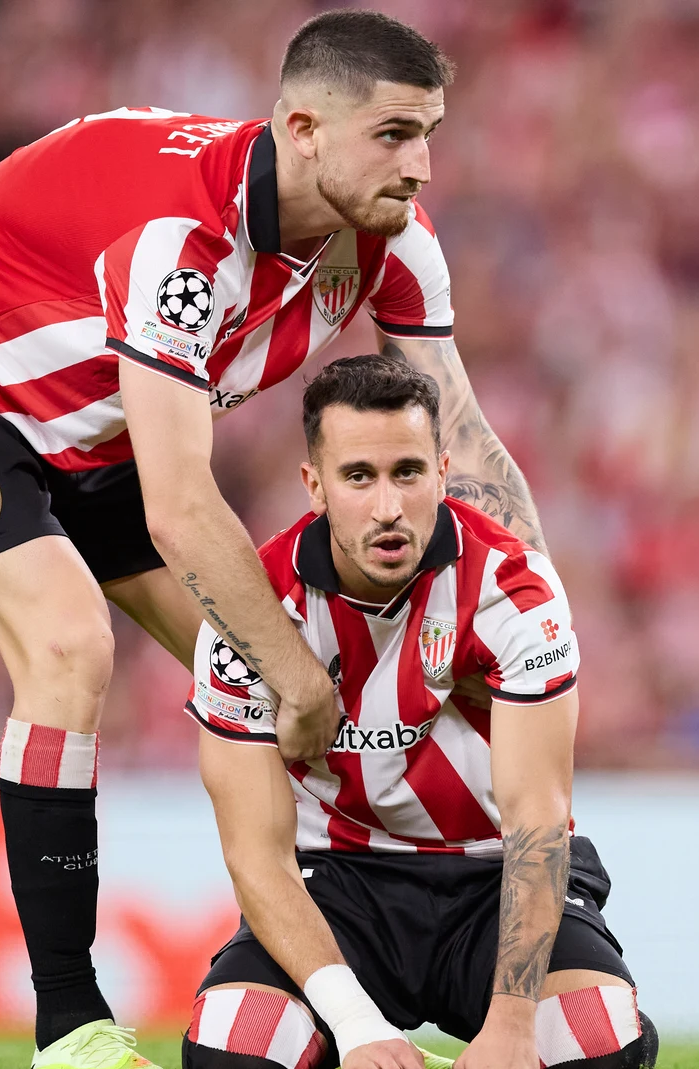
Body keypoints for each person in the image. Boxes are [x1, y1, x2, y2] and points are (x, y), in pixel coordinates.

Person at [0, 11, 546, 1068]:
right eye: (394, 135)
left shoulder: (392, 239)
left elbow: (463, 439)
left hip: (100, 420)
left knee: (287, 682)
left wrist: (532, 618)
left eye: (429, 133)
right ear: (303, 129)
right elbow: (178, 502)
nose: (423, 167)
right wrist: (299, 682)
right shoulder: (181, 241)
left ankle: (351, 1000)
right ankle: (69, 1025)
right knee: (79, 644)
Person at [181, 355, 656, 1069]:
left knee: (598, 1042)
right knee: (231, 1048)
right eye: (358, 477)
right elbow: (257, 856)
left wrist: (513, 1028)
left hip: (495, 876)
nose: (387, 507)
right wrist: (355, 1025)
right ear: (315, 487)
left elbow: (538, 819)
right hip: (339, 883)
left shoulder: (512, 590)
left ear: (440, 472)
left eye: (406, 472)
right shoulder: (250, 617)